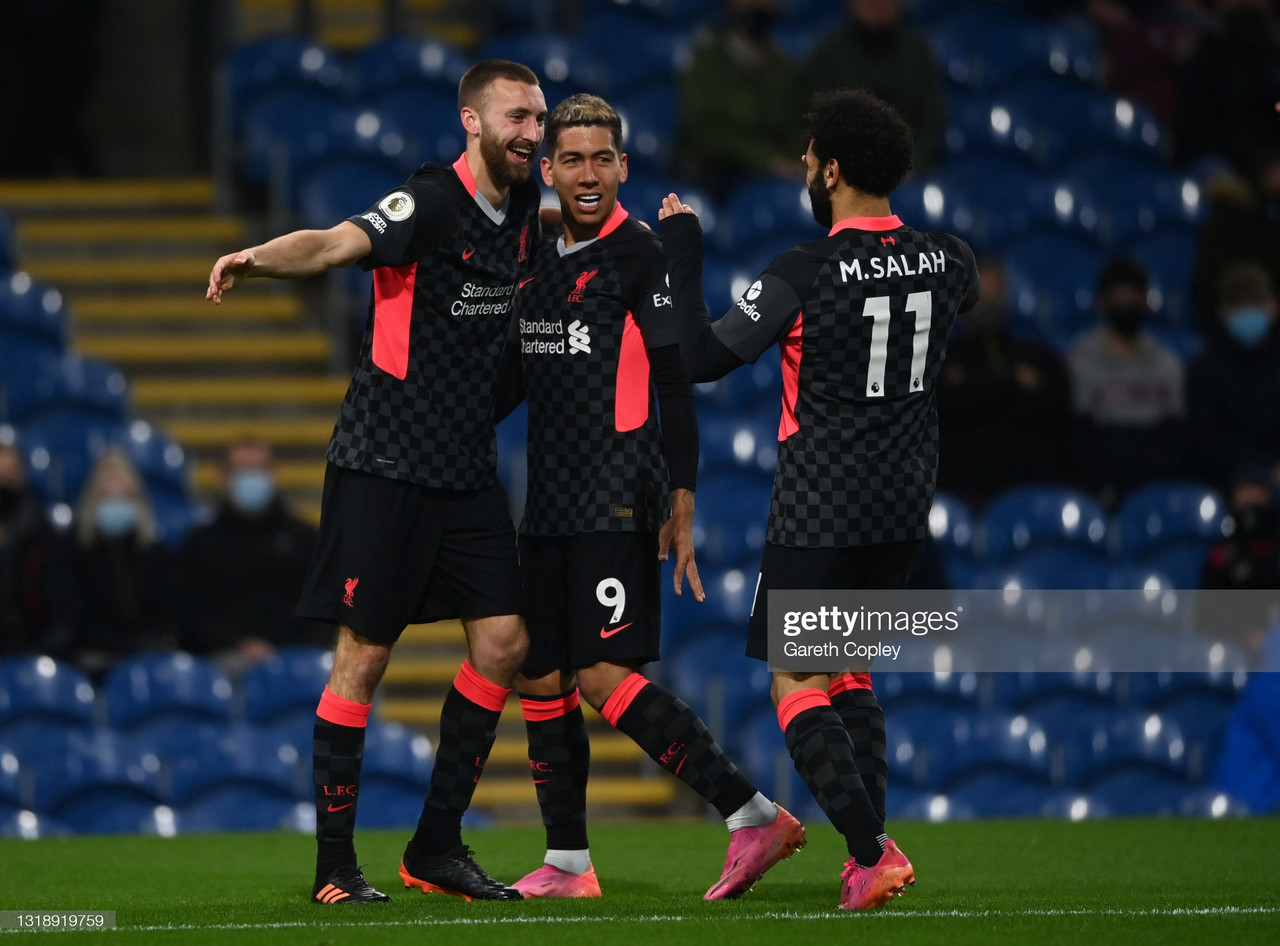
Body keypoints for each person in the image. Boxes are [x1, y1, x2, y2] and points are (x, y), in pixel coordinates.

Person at [206, 59, 547, 905]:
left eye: (539, 118)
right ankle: (334, 869)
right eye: (517, 117)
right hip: (383, 463)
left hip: (465, 468)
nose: (532, 134)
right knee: (365, 656)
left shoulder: (529, 208)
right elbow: (331, 243)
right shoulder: (429, 201)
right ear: (471, 121)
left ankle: (435, 846)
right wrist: (257, 257)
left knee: (505, 643)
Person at [658, 88, 980, 910]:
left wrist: (683, 249)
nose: (804, 168)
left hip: (821, 502)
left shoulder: (804, 271)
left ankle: (871, 853)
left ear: (832, 170)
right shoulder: (951, 259)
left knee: (794, 681)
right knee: (850, 672)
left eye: (809, 158)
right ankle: (867, 854)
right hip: (904, 503)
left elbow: (698, 355)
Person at [497, 93, 805, 901]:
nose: (588, 173)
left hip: (616, 493)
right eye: (572, 159)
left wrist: (682, 498)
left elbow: (677, 382)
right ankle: (568, 863)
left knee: (599, 676)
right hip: (550, 500)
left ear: (623, 167)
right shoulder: (533, 247)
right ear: (550, 168)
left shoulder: (639, 254)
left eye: (603, 158)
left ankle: (751, 813)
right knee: (540, 676)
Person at [178, 439, 329, 671]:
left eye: (259, 469)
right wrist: (238, 645)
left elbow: (322, 611)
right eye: (242, 470)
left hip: (298, 661)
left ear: (274, 474)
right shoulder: (200, 544)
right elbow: (191, 618)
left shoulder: (305, 539)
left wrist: (285, 651)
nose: (251, 477)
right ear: (222, 477)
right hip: (223, 663)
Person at [936, 255, 1074, 509]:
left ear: (1006, 296)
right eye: (977, 297)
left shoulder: (1039, 357)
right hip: (964, 489)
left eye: (993, 296)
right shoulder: (940, 360)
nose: (986, 305)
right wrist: (1014, 383)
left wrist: (971, 387)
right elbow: (945, 409)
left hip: (1032, 485)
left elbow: (1054, 409)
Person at [1066, 257, 1186, 504]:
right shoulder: (1081, 363)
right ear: (1102, 303)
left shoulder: (1167, 364)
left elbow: (1176, 432)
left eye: (1132, 297)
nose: (1126, 305)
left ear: (1145, 303)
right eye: (1118, 298)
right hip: (1102, 477)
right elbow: (1080, 435)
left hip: (1155, 473)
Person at [676, 0, 807, 199]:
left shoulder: (784, 68)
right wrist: (767, 160)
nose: (757, 6)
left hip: (779, 179)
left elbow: (794, 128)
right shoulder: (706, 61)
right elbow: (705, 133)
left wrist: (797, 162)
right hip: (720, 177)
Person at [804, 0, 947, 174]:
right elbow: (817, 125)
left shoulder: (917, 53)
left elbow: (930, 123)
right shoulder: (828, 54)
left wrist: (910, 165)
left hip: (908, 173)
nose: (877, 3)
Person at [69, 447, 177, 674]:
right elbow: (73, 617)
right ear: (91, 500)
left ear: (140, 501)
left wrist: (150, 643)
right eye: (106, 495)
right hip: (95, 657)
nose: (116, 503)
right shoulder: (72, 552)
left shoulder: (157, 554)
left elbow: (172, 614)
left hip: (149, 656)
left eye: (125, 495)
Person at [1187, 261, 1280, 489]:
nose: (1248, 312)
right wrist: (1257, 472)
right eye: (1239, 305)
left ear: (1273, 306)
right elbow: (1206, 444)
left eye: (1255, 303)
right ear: (1223, 311)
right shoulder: (1204, 369)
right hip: (1227, 480)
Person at [0, 439, 77, 659]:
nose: (3, 484)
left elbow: (62, 616)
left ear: (23, 478)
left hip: (33, 656)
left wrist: (34, 656)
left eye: (10, 476)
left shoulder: (44, 537)